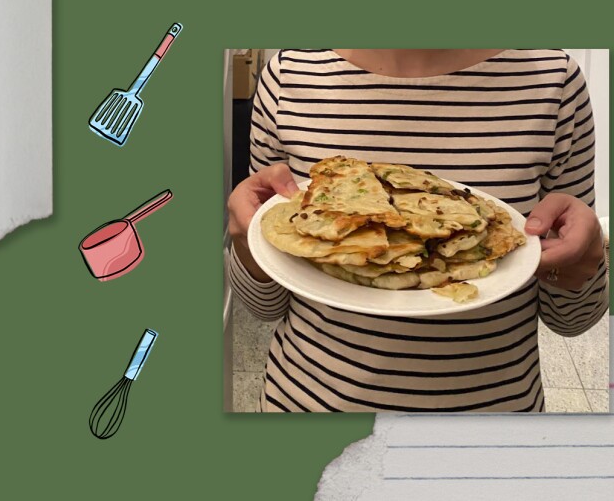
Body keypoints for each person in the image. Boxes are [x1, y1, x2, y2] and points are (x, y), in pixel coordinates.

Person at [227, 49, 608, 412]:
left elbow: (572, 320)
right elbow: (265, 306)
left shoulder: (553, 83)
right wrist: (248, 239)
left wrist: (579, 265)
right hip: (308, 404)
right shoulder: (290, 78)